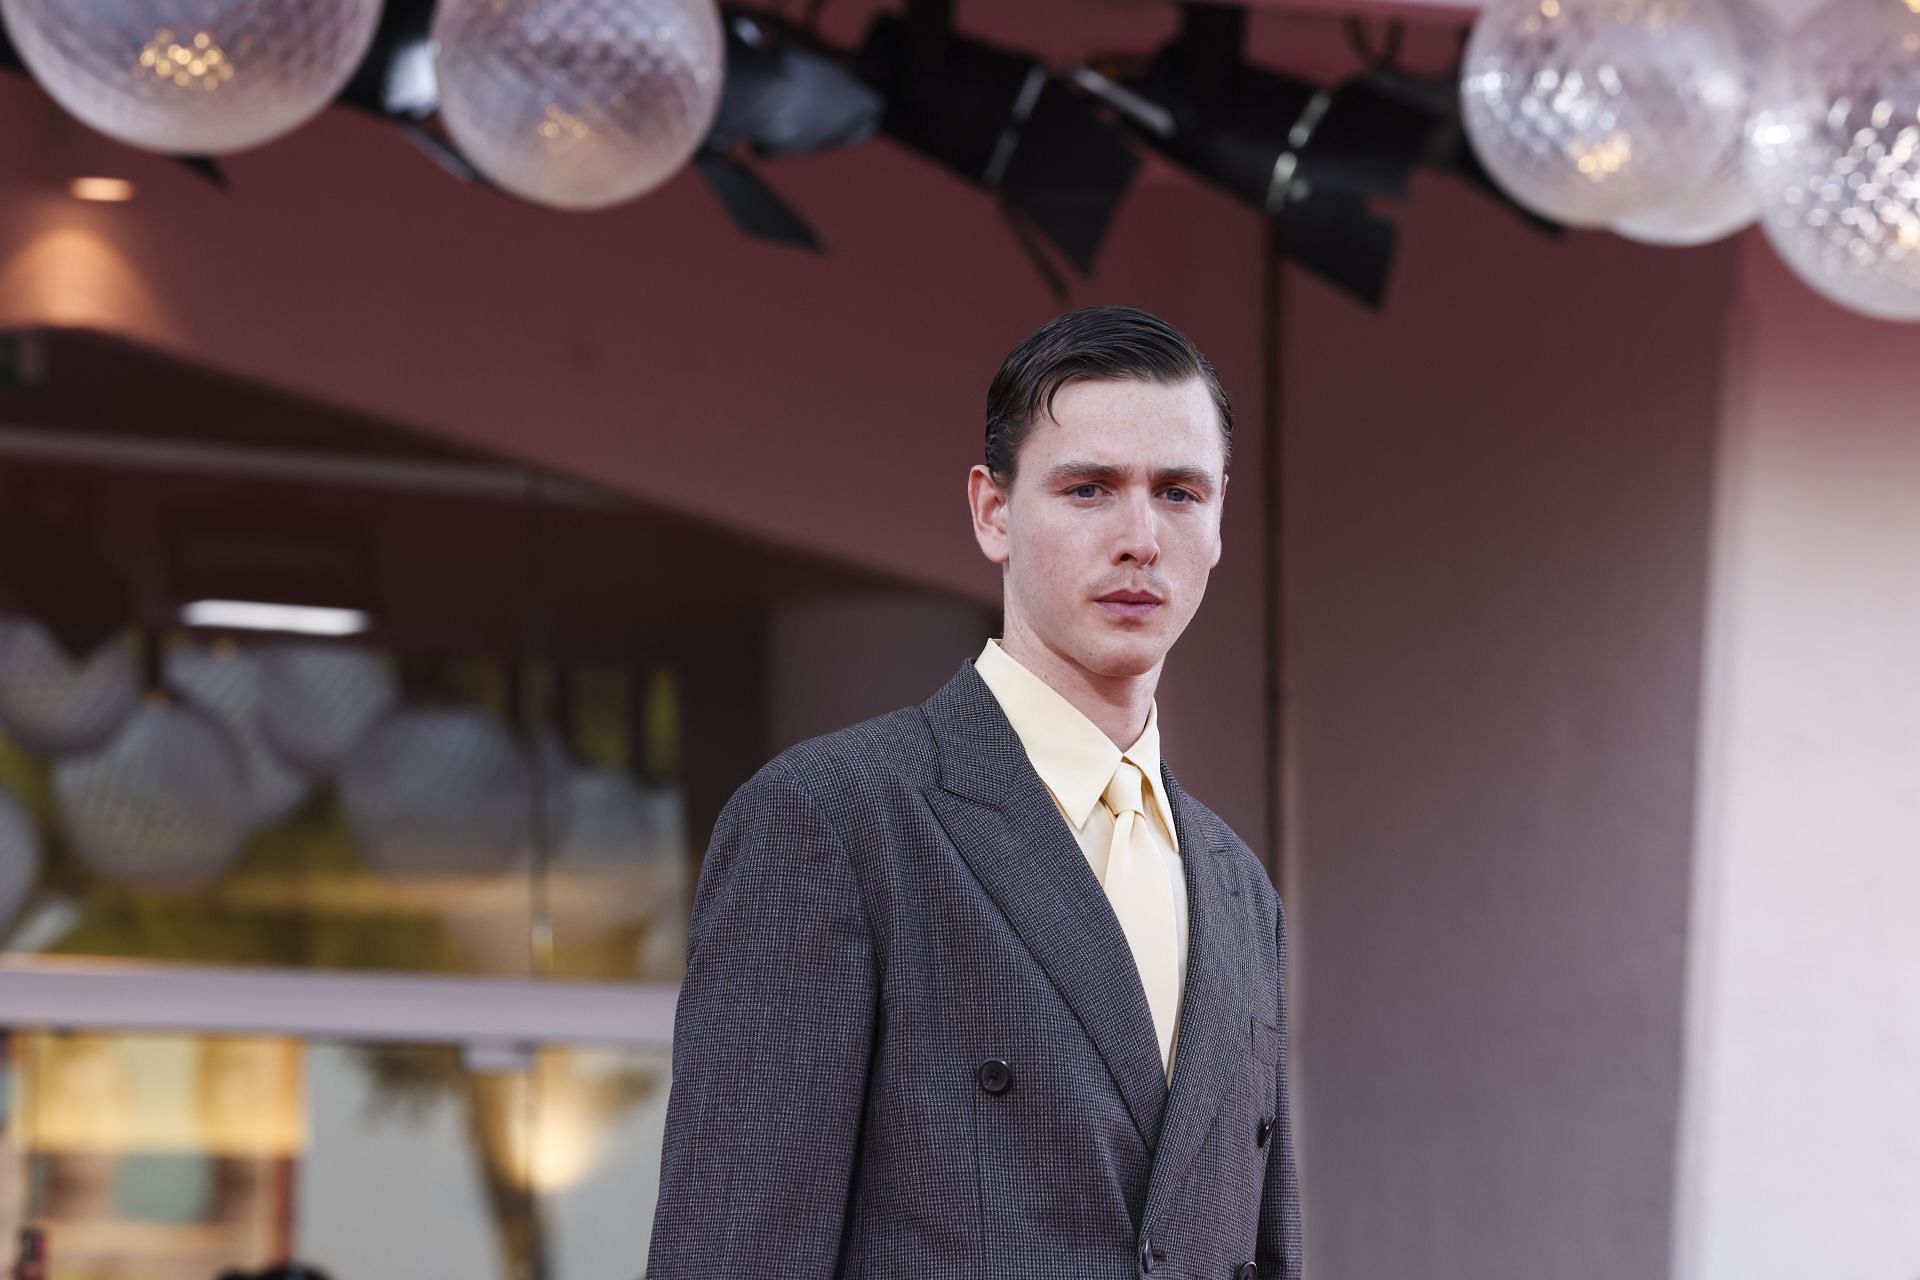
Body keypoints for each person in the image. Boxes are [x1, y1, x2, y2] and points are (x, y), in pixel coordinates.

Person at [646, 305, 1300, 1279]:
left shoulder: (1241, 887)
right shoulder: (832, 817)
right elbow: (736, 1252)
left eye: (1178, 492)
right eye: (1088, 488)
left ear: (1218, 519)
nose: (1139, 536)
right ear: (993, 510)